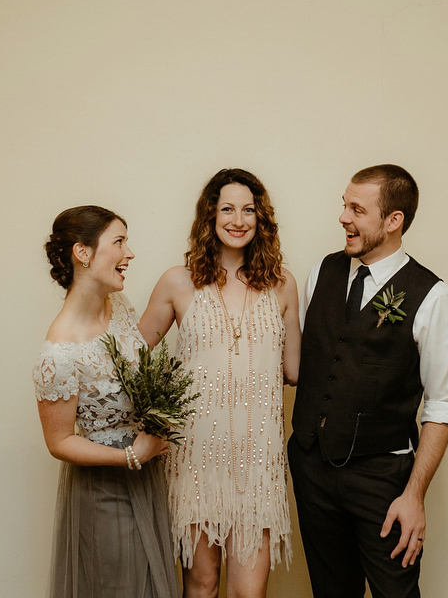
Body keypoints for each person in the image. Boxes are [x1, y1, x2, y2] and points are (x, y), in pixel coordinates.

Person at [289, 164, 448, 598]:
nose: (343, 218)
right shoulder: (321, 273)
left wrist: (414, 495)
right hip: (312, 469)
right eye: (344, 206)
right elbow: (314, 362)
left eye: (356, 209)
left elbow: (442, 406)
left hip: (382, 480)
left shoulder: (432, 296)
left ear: (393, 221)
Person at [139, 169, 300, 598]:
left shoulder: (283, 285)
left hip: (257, 462)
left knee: (249, 593)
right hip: (195, 461)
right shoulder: (178, 281)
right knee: (202, 586)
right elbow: (133, 362)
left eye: (249, 209)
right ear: (209, 216)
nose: (238, 219)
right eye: (227, 208)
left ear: (260, 218)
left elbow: (296, 371)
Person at [32, 205, 179, 598]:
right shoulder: (59, 353)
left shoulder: (122, 310)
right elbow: (58, 442)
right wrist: (131, 456)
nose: (129, 253)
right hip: (104, 492)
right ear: (83, 253)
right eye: (119, 242)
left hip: (147, 480)